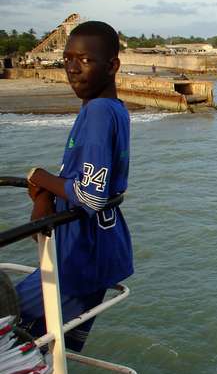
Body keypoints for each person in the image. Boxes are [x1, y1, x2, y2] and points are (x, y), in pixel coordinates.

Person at [16, 20, 133, 352]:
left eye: (84, 60)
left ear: (112, 66)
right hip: (100, 250)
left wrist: (40, 177)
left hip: (81, 257)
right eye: (67, 59)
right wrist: (48, 194)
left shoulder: (97, 112)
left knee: (11, 316)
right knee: (45, 346)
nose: (71, 68)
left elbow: (91, 196)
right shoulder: (114, 109)